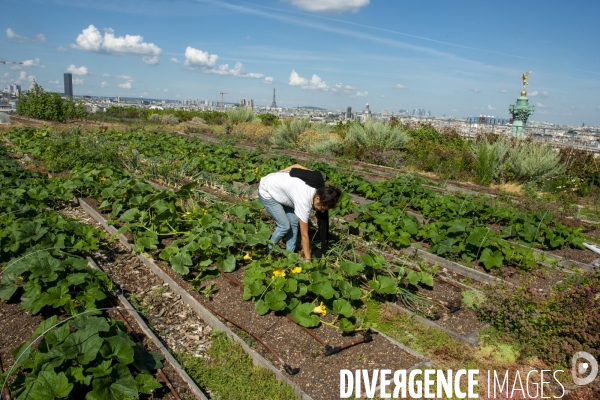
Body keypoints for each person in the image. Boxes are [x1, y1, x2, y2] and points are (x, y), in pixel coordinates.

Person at [258, 164, 341, 260]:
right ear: (317, 198)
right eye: (322, 208)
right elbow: (304, 236)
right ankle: (269, 251)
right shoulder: (303, 201)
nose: (322, 211)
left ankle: (290, 253)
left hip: (280, 189)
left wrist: (280, 174)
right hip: (267, 190)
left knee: (293, 221)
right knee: (284, 226)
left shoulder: (316, 183)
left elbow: (297, 166)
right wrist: (308, 260)